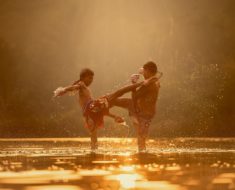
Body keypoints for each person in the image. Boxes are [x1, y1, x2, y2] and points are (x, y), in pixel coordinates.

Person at [53, 68, 157, 151]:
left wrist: (114, 116)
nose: (91, 81)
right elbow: (73, 87)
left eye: (92, 79)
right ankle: (141, 83)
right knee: (118, 92)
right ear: (83, 78)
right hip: (92, 106)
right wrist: (63, 89)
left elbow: (100, 111)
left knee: (94, 140)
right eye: (89, 78)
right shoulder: (81, 84)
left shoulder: (83, 87)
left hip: (90, 113)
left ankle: (93, 154)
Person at [111, 61, 161, 152]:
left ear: (148, 71)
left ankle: (108, 101)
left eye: (145, 71)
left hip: (141, 112)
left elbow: (134, 97)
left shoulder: (149, 83)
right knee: (141, 137)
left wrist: (134, 83)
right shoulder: (155, 81)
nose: (143, 73)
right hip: (148, 113)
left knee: (141, 137)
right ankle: (142, 156)